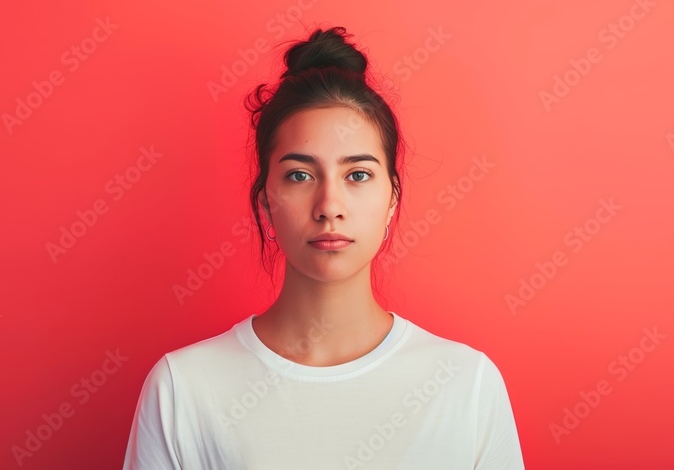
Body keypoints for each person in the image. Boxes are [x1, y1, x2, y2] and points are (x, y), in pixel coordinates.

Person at [122, 26, 525, 469]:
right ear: (265, 202)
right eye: (300, 175)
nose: (329, 206)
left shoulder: (465, 386)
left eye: (357, 175)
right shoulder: (184, 389)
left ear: (392, 199)